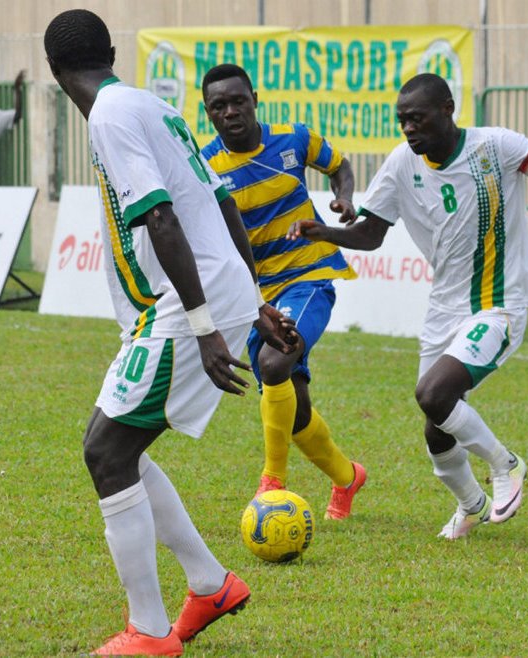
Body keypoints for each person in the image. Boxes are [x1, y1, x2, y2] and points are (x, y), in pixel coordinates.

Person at [44, 9, 296, 655]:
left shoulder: (108, 115)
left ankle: (150, 632)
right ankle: (209, 585)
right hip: (199, 296)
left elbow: (161, 217)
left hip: (188, 304)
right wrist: (256, 298)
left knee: (107, 452)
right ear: (111, 53)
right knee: (120, 448)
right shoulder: (151, 106)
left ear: (54, 71)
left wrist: (208, 324)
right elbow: (221, 203)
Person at [289, 73, 528, 540]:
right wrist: (326, 233)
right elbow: (371, 234)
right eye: (401, 121)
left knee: (434, 395)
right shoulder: (399, 165)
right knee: (437, 429)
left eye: (417, 118)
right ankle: (471, 505)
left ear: (448, 109)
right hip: (444, 308)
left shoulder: (496, 147)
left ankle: (506, 464)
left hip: (499, 304)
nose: (408, 129)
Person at [200, 64, 367, 520]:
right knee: (294, 409)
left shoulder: (293, 139)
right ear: (208, 113)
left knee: (276, 362)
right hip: (254, 295)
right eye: (219, 106)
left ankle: (272, 481)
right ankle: (348, 478)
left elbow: (340, 166)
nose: (231, 111)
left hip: (308, 274)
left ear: (255, 98)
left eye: (238, 101)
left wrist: (345, 199)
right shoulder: (206, 166)